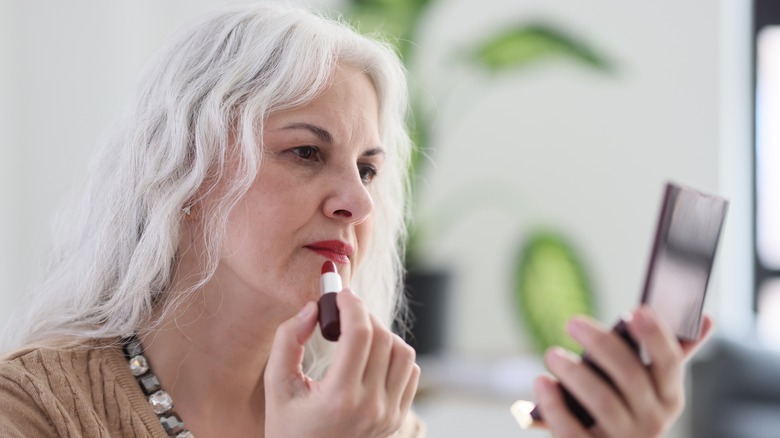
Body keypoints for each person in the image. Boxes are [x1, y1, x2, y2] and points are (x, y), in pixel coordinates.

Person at [0, 2, 712, 437]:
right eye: (307, 152)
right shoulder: (31, 410)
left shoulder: (366, 416)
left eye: (368, 169)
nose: (359, 202)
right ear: (184, 171)